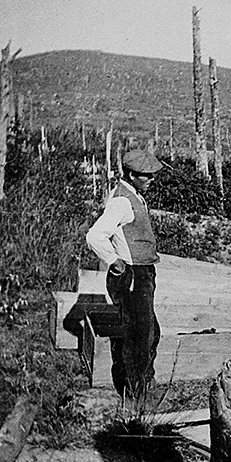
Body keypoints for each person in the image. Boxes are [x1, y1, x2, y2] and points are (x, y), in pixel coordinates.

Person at [86, 149, 163, 402]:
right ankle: (135, 394)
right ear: (131, 175)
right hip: (131, 275)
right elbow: (95, 236)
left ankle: (143, 381)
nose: (151, 179)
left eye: (153, 175)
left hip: (142, 273)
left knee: (150, 332)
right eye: (146, 176)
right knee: (139, 336)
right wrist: (114, 261)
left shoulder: (134, 195)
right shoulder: (121, 201)